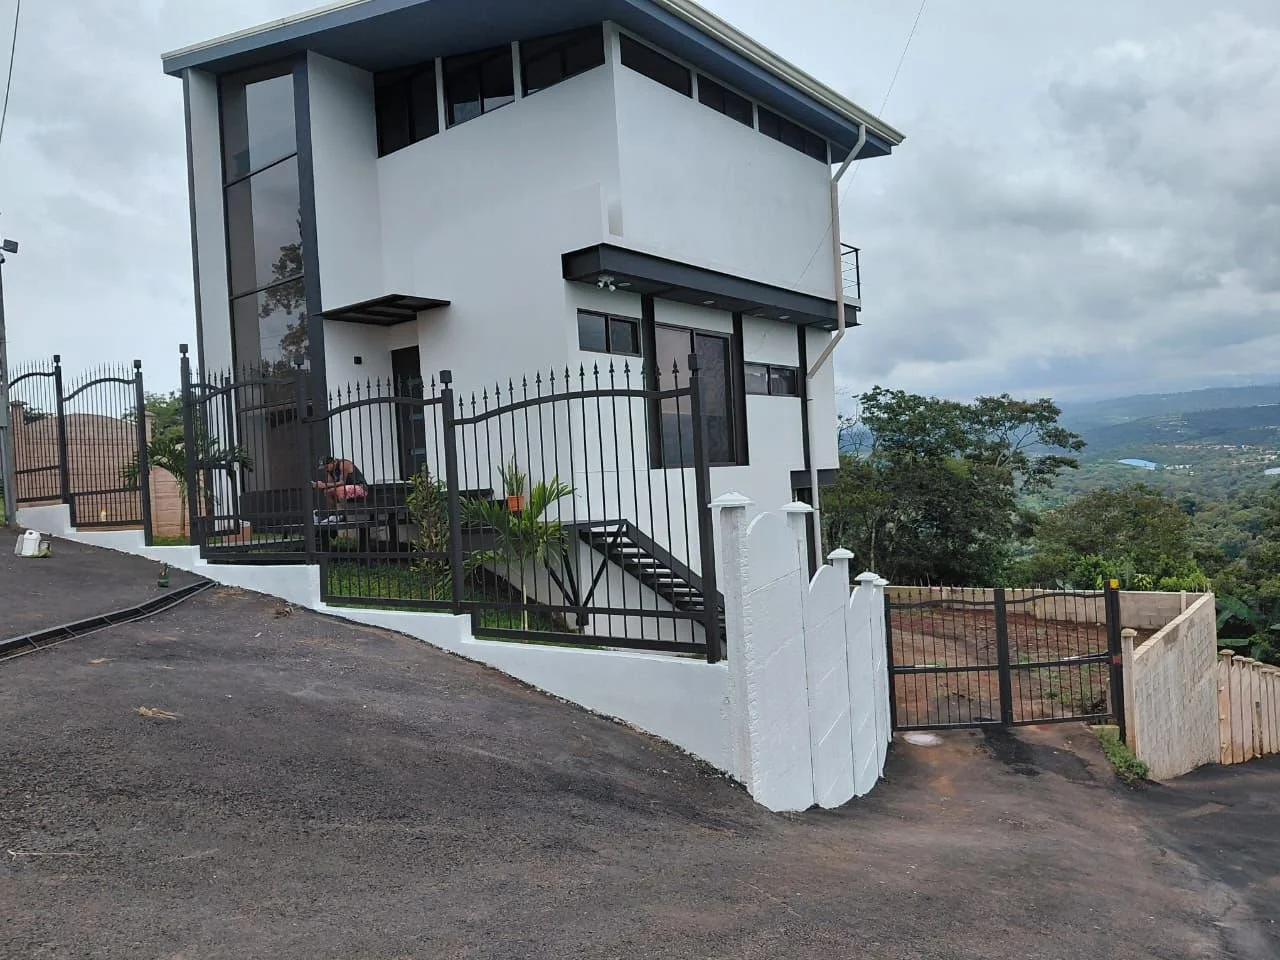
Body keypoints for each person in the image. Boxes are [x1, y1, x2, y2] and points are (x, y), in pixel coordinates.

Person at [313, 456, 368, 524]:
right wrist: (319, 485)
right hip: (345, 489)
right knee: (327, 491)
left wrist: (324, 485)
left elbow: (342, 482)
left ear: (332, 463)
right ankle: (333, 514)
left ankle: (342, 515)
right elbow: (330, 484)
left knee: (340, 490)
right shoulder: (330, 471)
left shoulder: (343, 464)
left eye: (326, 467)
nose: (326, 470)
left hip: (360, 487)